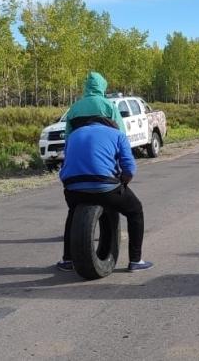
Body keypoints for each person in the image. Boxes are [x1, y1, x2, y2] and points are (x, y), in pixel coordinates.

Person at [56, 114, 153, 273]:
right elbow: (129, 168)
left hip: (73, 188)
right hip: (105, 187)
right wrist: (123, 183)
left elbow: (67, 162)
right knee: (135, 210)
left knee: (73, 214)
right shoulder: (117, 134)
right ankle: (136, 260)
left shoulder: (73, 135)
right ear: (111, 125)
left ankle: (67, 260)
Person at [63, 72, 126, 137]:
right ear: (102, 86)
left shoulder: (74, 108)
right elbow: (121, 133)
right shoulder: (110, 107)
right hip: (106, 145)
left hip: (79, 145)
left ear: (86, 86)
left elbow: (68, 136)